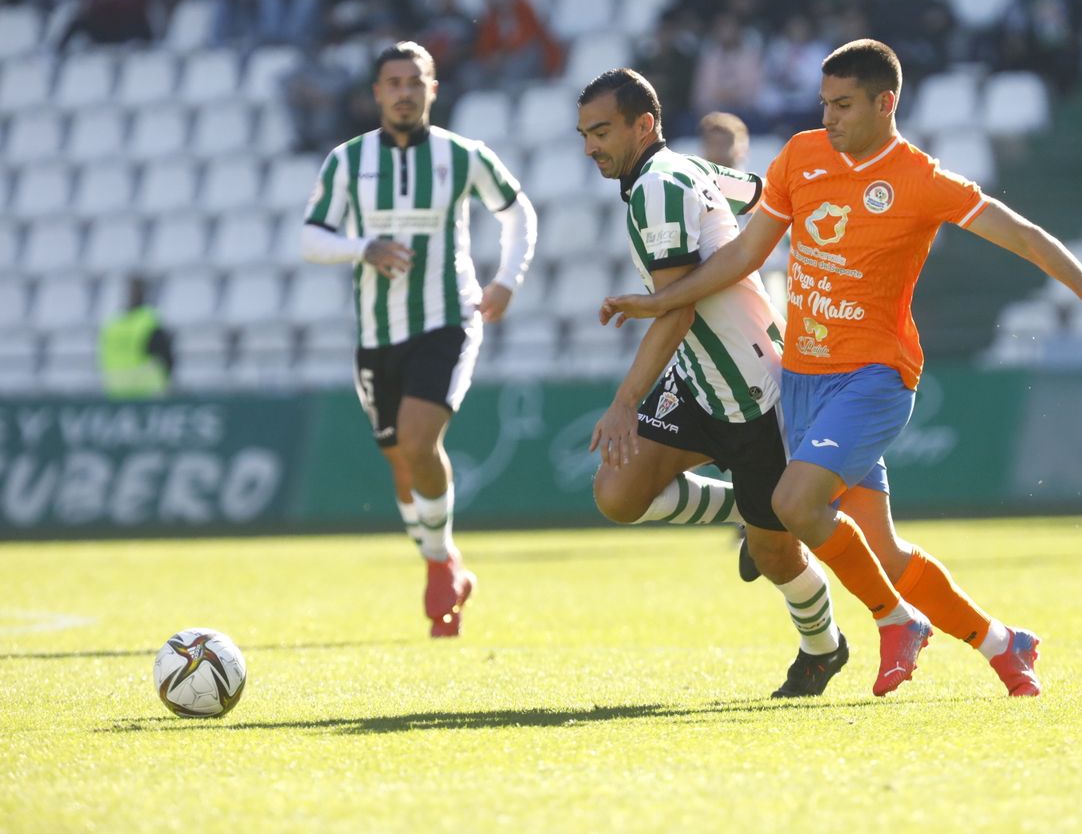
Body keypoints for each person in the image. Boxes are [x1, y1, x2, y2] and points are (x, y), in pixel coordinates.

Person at [601, 40, 1082, 697]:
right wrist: (661, 301)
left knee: (794, 503)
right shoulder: (802, 155)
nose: (828, 117)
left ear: (884, 103)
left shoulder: (921, 179)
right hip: (800, 378)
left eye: (843, 105)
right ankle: (1005, 644)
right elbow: (747, 253)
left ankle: (896, 621)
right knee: (883, 552)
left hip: (873, 379)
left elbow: (1023, 234)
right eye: (824, 103)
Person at [578, 69, 849, 698]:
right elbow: (762, 194)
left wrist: (624, 403)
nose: (590, 147)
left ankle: (823, 647)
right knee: (618, 493)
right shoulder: (686, 169)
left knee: (777, 558)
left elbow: (675, 309)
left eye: (602, 132)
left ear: (644, 125)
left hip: (754, 391)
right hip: (698, 379)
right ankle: (748, 511)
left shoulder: (657, 187)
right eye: (584, 134)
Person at [301, 41, 537, 637]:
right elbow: (312, 238)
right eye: (394, 82)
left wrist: (506, 280)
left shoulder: (463, 155)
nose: (404, 92)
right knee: (401, 463)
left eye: (415, 81)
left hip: (447, 319)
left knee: (417, 440)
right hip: (376, 333)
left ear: (433, 88)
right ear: (377, 93)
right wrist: (364, 248)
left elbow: (518, 213)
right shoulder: (347, 161)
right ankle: (445, 560)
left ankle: (437, 570)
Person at [100, 278, 174, 399]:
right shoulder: (148, 322)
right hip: (147, 393)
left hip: (116, 393)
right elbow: (166, 357)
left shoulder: (111, 325)